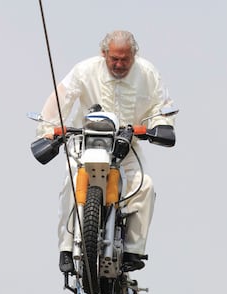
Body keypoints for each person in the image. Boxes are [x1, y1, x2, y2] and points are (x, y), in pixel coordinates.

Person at [37, 29, 175, 275]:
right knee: (71, 179)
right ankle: (67, 248)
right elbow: (60, 100)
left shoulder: (148, 73)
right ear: (104, 54)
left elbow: (160, 108)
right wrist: (48, 130)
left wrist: (162, 126)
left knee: (145, 185)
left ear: (134, 56)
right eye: (114, 59)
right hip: (86, 142)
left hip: (127, 146)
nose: (119, 64)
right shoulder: (84, 70)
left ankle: (133, 249)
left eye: (125, 59)